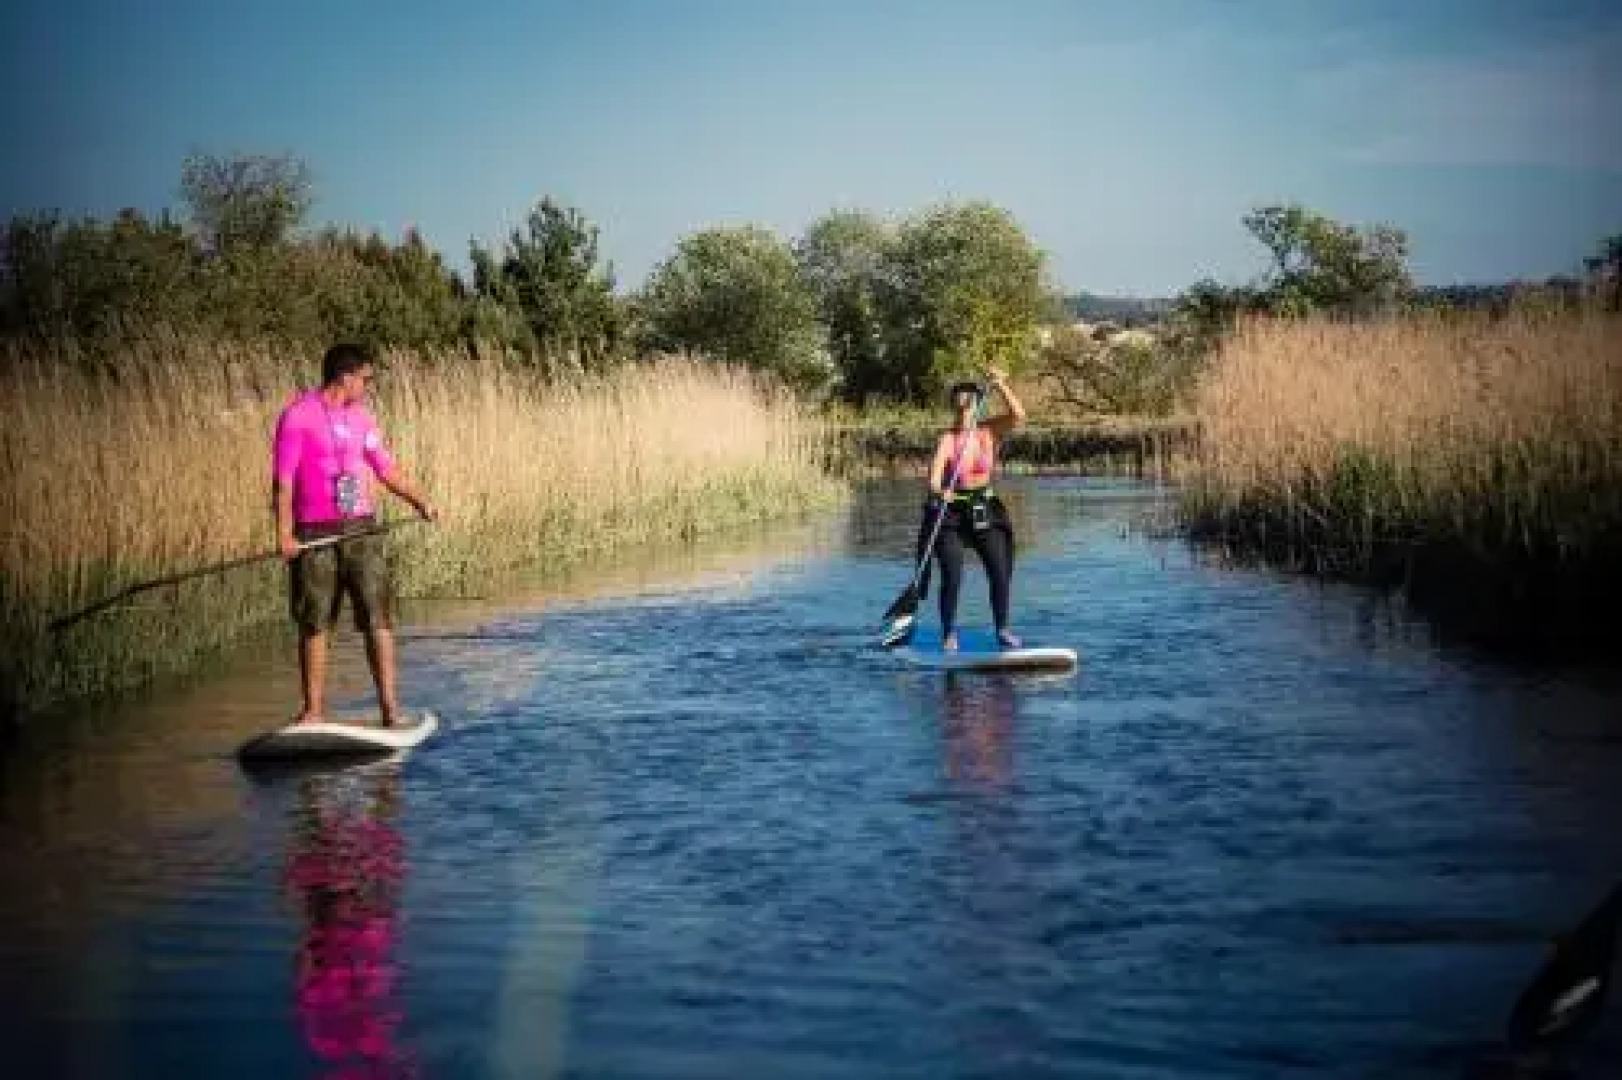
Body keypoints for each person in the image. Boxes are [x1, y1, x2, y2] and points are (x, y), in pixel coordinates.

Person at [271, 342, 436, 728]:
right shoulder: (298, 416)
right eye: (366, 378)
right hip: (314, 533)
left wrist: (421, 502)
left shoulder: (363, 419)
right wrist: (283, 535)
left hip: (361, 529)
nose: (369, 385)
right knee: (314, 621)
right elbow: (283, 482)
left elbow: (386, 470)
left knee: (378, 619)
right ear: (344, 377)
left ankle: (390, 710)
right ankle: (313, 712)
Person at [915, 366, 1027, 651]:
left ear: (978, 404)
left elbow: (1019, 416)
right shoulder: (948, 440)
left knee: (1000, 572)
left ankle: (1002, 629)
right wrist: (943, 491)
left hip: (984, 508)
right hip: (952, 514)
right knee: (953, 575)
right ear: (954, 405)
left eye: (969, 402)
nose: (964, 408)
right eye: (959, 402)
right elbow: (933, 480)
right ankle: (949, 633)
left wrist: (1001, 384)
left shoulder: (989, 432)